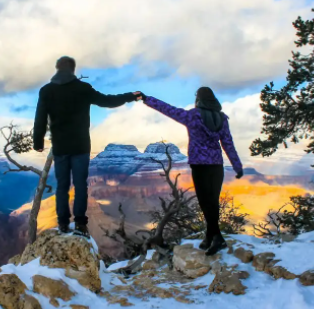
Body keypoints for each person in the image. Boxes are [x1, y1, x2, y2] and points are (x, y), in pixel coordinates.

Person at [33, 56, 139, 238]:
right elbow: (107, 101)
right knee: (80, 185)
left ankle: (64, 224)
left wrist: (38, 142)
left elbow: (40, 117)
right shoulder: (82, 88)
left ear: (57, 69)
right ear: (73, 70)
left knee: (62, 186)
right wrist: (131, 96)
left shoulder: (47, 90)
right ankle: (80, 224)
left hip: (60, 146)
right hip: (81, 145)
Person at [136, 87, 243, 255]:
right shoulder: (222, 119)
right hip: (216, 166)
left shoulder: (193, 116)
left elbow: (168, 109)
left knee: (205, 202)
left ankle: (217, 238)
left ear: (198, 99)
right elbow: (228, 143)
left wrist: (146, 98)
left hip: (200, 166)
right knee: (212, 202)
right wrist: (237, 165)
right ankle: (210, 236)